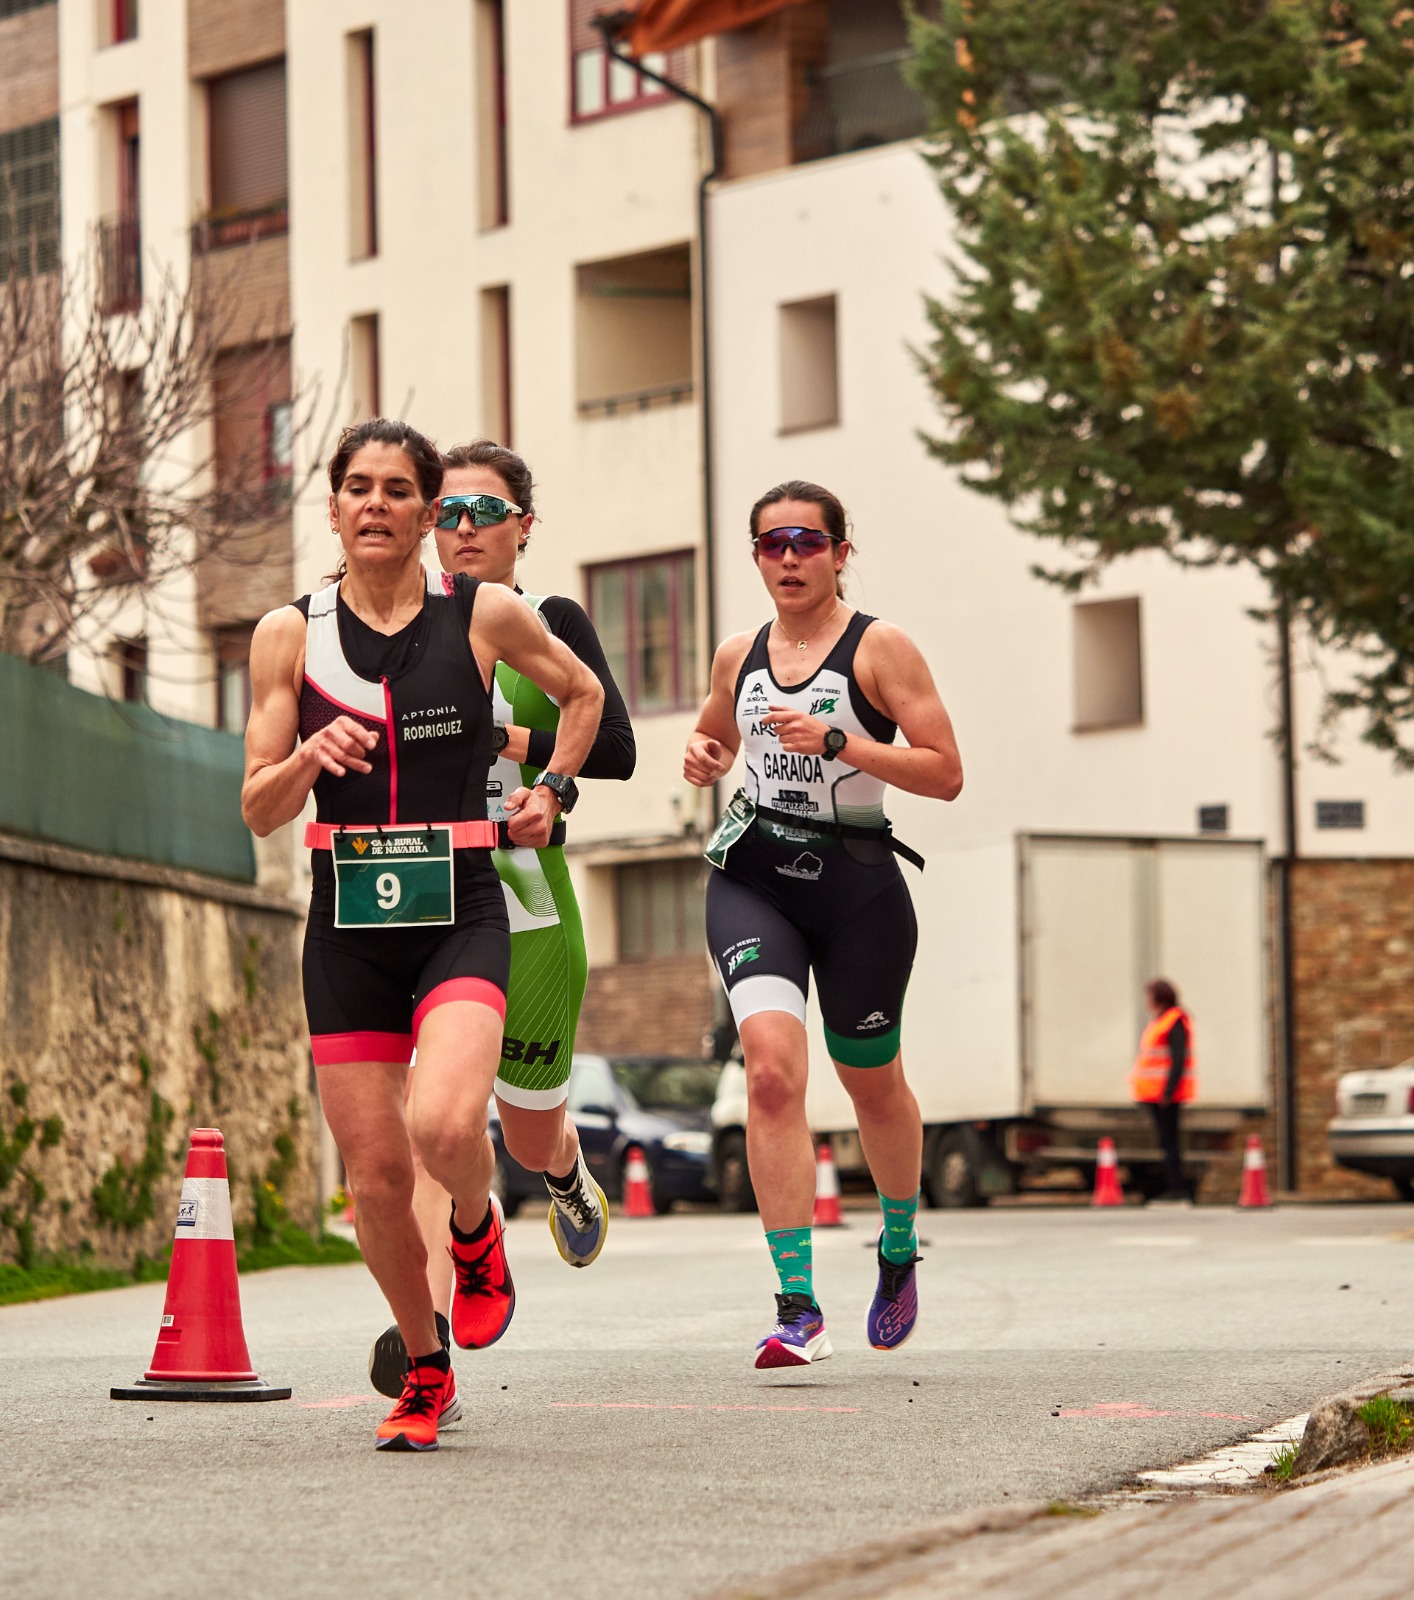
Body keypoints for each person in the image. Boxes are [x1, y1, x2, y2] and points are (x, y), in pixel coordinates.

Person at [241, 418, 602, 1451]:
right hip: (348, 926)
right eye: (356, 487)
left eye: (399, 490)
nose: (375, 505)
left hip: (461, 909)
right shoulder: (288, 635)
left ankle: (478, 1229)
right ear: (333, 507)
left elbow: (582, 696)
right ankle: (427, 1368)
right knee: (374, 1178)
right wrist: (311, 752)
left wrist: (552, 788)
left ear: (428, 510)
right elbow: (260, 807)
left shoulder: (482, 611)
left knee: (447, 1127)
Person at [367, 438, 636, 1398]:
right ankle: (429, 1330)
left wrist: (524, 758)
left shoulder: (545, 620)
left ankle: (562, 1171)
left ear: (525, 526)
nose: (465, 529)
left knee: (522, 1133)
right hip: (422, 904)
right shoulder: (395, 619)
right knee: (433, 1125)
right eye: (450, 512)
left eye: (486, 512)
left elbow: (616, 745)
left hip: (527, 907)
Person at [683, 480, 962, 1368]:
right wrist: (703, 755)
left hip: (858, 889)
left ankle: (896, 1242)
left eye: (808, 541)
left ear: (842, 552)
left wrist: (842, 744)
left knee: (871, 1083)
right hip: (757, 880)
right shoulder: (741, 653)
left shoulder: (882, 650)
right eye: (773, 544)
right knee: (770, 1073)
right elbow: (716, 740)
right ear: (758, 558)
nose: (790, 557)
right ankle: (796, 1305)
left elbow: (945, 773)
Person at [1131, 978, 1195, 1202]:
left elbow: (1178, 1060)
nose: (1147, 1001)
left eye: (1149, 996)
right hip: (1155, 1094)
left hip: (1166, 1095)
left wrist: (1168, 1091)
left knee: (1170, 1143)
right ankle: (1174, 1186)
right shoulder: (1160, 1021)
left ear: (1159, 998)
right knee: (1166, 1142)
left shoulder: (1173, 1021)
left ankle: (1177, 1188)